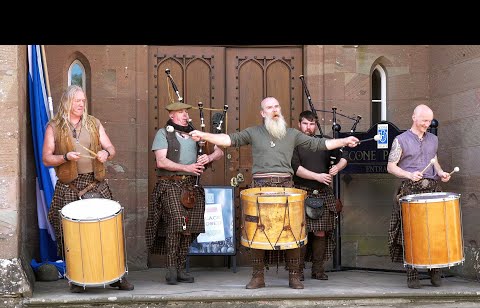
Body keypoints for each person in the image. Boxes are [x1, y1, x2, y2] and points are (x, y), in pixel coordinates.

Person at [190, 97, 359, 289]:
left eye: (277, 106)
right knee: (257, 232)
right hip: (259, 187)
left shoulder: (292, 134)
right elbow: (229, 140)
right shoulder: (253, 132)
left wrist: (344, 140)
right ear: (263, 113)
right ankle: (258, 277)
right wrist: (204, 135)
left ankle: (294, 276)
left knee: (293, 232)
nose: (274, 110)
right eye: (269, 107)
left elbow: (319, 145)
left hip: (286, 186)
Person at [42, 85, 134, 293]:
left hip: (95, 184)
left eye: (83, 101)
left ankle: (117, 276)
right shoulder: (54, 127)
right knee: (67, 231)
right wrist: (65, 157)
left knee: (109, 229)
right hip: (69, 185)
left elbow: (111, 148)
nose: (82, 104)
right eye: (77, 101)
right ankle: (76, 277)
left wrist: (105, 154)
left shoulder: (94, 123)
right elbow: (47, 158)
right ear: (67, 102)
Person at [145, 101, 224, 285]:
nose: (185, 115)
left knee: (190, 228)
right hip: (170, 184)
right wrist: (187, 168)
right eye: (180, 112)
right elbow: (161, 162)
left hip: (192, 186)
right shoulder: (163, 133)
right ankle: (171, 268)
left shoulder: (197, 134)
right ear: (172, 115)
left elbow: (219, 151)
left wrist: (208, 157)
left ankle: (180, 268)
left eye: (186, 112)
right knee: (176, 223)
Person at [387, 104, 451, 289]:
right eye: (424, 120)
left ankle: (435, 270)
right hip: (410, 190)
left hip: (431, 188)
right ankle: (412, 273)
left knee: (435, 231)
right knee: (412, 232)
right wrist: (409, 175)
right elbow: (391, 166)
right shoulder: (400, 140)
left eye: (430, 121)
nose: (427, 124)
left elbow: (434, 160)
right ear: (414, 117)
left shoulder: (433, 139)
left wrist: (441, 173)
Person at [291, 110, 348, 281]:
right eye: (305, 124)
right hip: (301, 191)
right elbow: (296, 168)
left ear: (316, 125)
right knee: (300, 233)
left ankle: (318, 269)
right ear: (299, 124)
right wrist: (317, 176)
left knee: (320, 233)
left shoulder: (325, 142)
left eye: (312, 124)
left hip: (322, 193)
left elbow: (344, 156)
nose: (309, 127)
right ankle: (298, 270)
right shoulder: (293, 143)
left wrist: (338, 167)